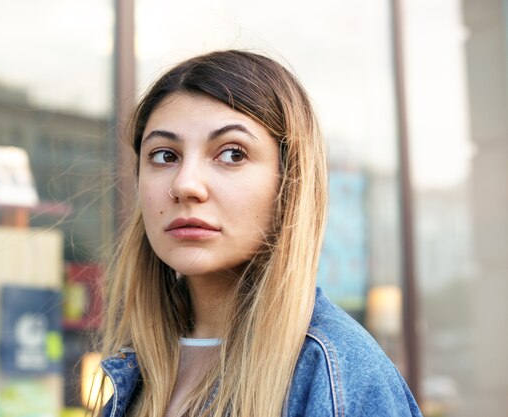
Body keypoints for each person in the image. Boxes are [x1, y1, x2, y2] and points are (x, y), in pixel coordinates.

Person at [98, 50, 422, 417]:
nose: (186, 184)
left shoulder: (335, 373)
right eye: (164, 156)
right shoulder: (141, 370)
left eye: (233, 154)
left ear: (289, 182)